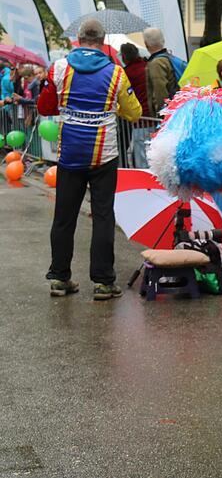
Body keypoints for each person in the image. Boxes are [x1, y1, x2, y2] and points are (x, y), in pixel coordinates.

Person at [37, 18, 142, 299]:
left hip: (70, 155)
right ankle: (104, 282)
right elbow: (134, 112)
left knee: (64, 217)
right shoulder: (116, 72)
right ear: (103, 41)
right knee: (103, 217)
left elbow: (45, 107)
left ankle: (59, 278)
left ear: (79, 39)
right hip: (103, 156)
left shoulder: (60, 67)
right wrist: (113, 108)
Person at [120, 43, 152, 168]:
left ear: (124, 56)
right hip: (153, 117)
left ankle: (145, 184)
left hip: (139, 119)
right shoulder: (147, 66)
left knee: (141, 155)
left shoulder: (127, 73)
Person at [144, 27, 178, 114]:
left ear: (146, 44)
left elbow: (160, 92)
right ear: (163, 40)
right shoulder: (169, 57)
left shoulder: (156, 63)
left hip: (168, 115)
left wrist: (161, 114)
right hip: (176, 108)